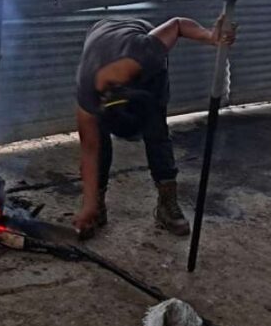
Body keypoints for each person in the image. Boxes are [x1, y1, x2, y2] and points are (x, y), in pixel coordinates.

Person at [71, 15, 235, 238]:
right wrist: (88, 204)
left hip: (141, 54)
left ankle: (167, 205)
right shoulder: (88, 91)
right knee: (98, 141)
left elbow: (177, 24)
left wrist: (210, 37)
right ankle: (98, 205)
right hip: (102, 33)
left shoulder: (147, 53)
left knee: (157, 135)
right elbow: (90, 149)